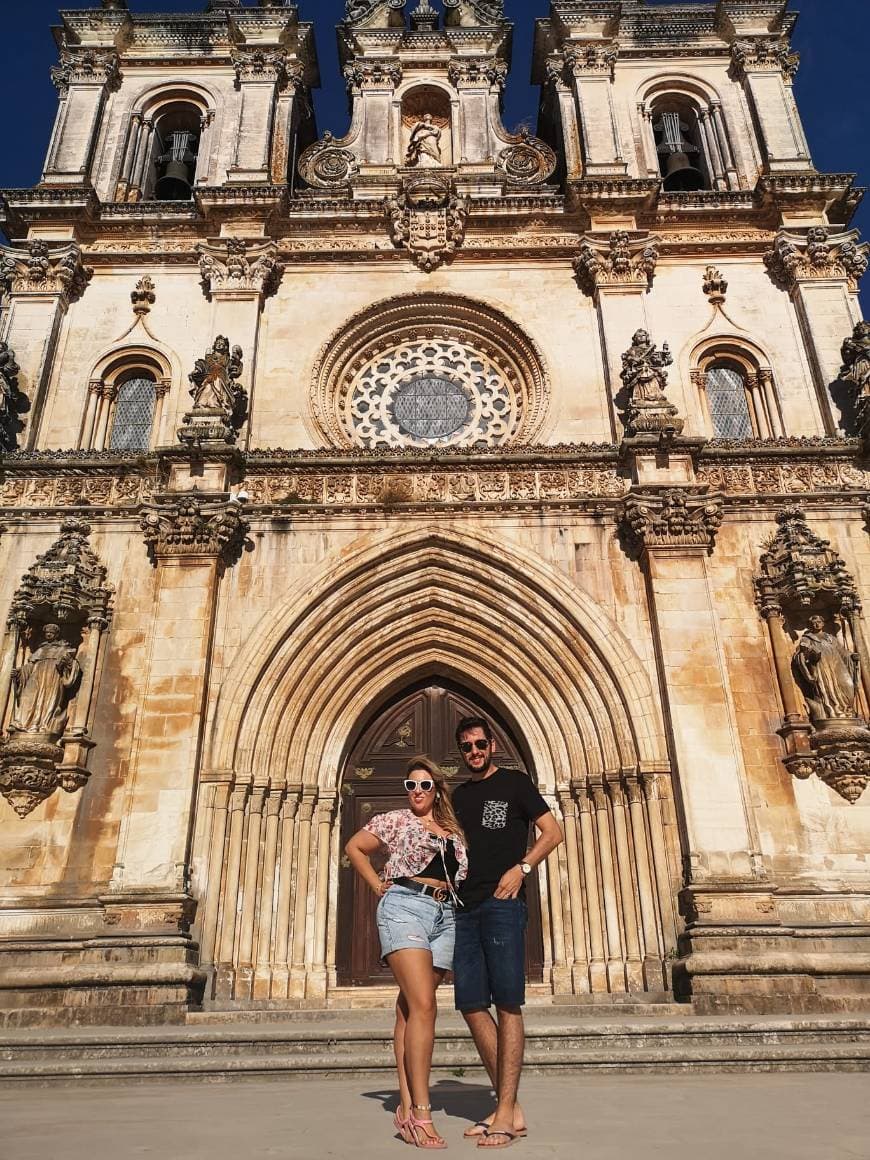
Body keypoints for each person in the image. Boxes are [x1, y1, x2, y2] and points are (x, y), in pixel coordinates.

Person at [451, 716, 563, 1150]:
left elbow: (553, 833)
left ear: (492, 744)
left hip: (502, 904)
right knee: (472, 1004)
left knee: (508, 1002)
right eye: (466, 747)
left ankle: (505, 1110)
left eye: (480, 743)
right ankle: (509, 1107)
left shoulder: (516, 784)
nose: (474, 751)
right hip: (463, 906)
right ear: (461, 752)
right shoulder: (458, 796)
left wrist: (522, 868)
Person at [345, 756, 468, 1150]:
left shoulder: (451, 828)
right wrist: (377, 885)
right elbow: (355, 848)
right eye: (411, 785)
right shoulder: (395, 819)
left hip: (445, 914)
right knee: (425, 1006)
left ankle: (403, 1103)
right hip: (405, 906)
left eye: (425, 785)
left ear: (437, 790)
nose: (417, 791)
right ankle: (421, 1111)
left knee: (410, 1009)